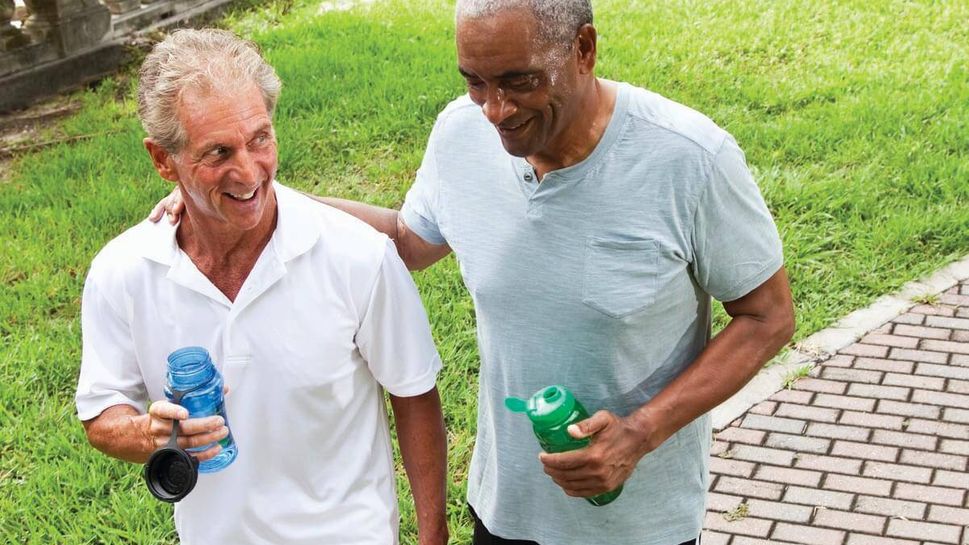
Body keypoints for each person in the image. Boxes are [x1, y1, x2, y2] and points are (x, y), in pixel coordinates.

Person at [153, 1, 796, 543]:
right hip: (503, 505)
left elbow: (768, 316)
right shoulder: (462, 135)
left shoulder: (689, 158)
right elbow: (408, 240)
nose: (495, 110)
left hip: (634, 519)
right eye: (475, 82)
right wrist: (258, 194)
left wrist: (639, 432)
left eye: (519, 81)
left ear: (584, 49)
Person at [77, 29, 449, 545]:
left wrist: (434, 537)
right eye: (218, 153)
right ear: (164, 160)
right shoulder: (123, 272)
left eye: (261, 138)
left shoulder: (356, 255)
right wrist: (147, 433)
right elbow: (101, 411)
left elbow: (414, 396)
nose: (249, 171)